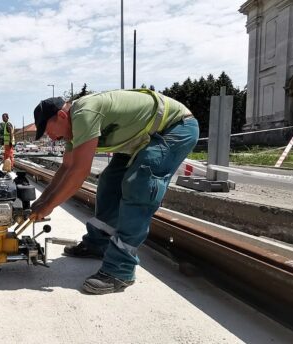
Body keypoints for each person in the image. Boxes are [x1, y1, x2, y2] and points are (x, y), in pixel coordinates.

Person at [30, 89, 198, 295]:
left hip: (174, 128)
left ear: (62, 116)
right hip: (142, 138)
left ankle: (120, 270)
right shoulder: (72, 128)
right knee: (110, 182)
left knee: (139, 184)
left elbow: (79, 172)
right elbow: (66, 167)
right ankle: (98, 244)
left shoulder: (84, 113)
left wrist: (49, 207)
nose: (51, 137)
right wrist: (42, 200)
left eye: (49, 131)